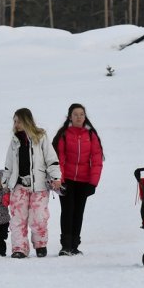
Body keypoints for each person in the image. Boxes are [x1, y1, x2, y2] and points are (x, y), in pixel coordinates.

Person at [3, 108, 62, 259]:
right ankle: (19, 248)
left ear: (27, 120)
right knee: (17, 218)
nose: (16, 124)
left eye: (19, 121)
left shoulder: (41, 137)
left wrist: (56, 177)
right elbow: (9, 165)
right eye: (14, 121)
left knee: (39, 217)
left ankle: (40, 244)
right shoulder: (15, 141)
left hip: (39, 186)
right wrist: (5, 185)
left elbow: (51, 159)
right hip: (19, 185)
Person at [51, 103, 104, 256]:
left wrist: (93, 183)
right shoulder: (64, 135)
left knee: (78, 212)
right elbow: (59, 159)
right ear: (70, 117)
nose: (79, 117)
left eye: (81, 114)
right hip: (66, 180)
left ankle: (74, 245)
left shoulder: (91, 135)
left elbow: (97, 160)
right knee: (67, 211)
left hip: (84, 181)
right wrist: (59, 179)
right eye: (76, 114)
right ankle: (65, 246)